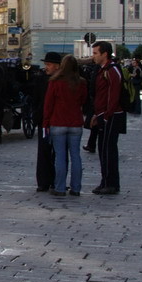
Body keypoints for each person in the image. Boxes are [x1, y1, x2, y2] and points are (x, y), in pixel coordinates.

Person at [43, 53, 88, 197]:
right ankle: (76, 188)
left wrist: (46, 121)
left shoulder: (55, 82)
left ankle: (60, 187)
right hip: (75, 123)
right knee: (76, 156)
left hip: (58, 122)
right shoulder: (81, 82)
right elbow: (83, 101)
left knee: (60, 156)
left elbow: (48, 104)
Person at [89, 40, 124, 195]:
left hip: (112, 115)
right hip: (103, 114)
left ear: (105, 54)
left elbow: (114, 94)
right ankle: (105, 181)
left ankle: (111, 183)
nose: (93, 56)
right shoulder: (101, 69)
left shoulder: (112, 70)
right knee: (103, 150)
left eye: (96, 53)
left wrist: (107, 114)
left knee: (109, 150)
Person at [29, 52, 61, 192]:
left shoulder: (61, 80)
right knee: (44, 151)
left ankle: (56, 181)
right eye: (46, 64)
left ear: (57, 66)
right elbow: (35, 97)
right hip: (43, 120)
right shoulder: (41, 79)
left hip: (58, 120)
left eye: (49, 64)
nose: (46, 67)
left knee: (58, 152)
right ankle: (43, 181)